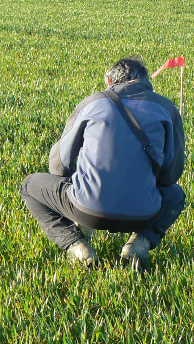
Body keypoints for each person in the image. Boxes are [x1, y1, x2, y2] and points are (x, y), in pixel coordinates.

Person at [20, 56, 185, 271]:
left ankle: (76, 245)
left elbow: (59, 166)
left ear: (109, 81)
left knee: (29, 186)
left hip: (85, 209)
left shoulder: (93, 102)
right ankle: (139, 244)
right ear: (147, 83)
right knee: (175, 195)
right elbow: (170, 176)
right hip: (144, 213)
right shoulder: (166, 108)